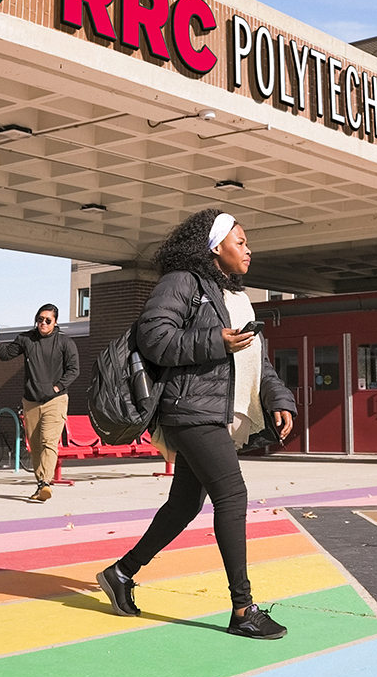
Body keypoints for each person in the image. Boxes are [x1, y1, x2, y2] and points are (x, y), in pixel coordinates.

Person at [94, 209, 296, 639]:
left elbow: (254, 360)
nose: (248, 249)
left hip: (214, 415)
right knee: (232, 494)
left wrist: (279, 398)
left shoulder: (235, 296)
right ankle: (243, 608)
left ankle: (121, 573)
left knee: (185, 504)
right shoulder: (183, 282)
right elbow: (154, 337)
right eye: (240, 242)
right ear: (215, 245)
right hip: (190, 410)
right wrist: (213, 341)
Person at [0, 304, 79, 502]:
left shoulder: (64, 342)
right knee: (35, 446)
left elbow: (74, 369)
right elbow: (5, 355)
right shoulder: (26, 339)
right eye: (40, 319)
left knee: (49, 441)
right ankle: (41, 485)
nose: (43, 323)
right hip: (31, 401)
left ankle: (46, 482)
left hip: (55, 400)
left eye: (47, 320)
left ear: (55, 322)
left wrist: (57, 387)